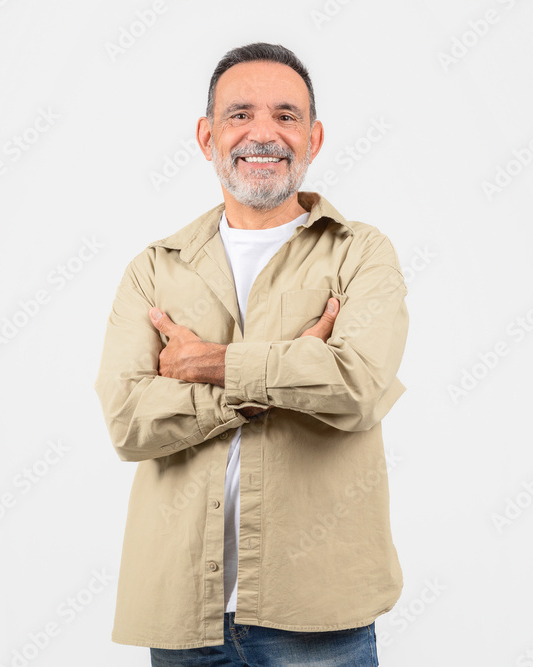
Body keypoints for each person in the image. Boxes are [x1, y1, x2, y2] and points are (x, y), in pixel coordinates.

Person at [94, 42, 409, 666]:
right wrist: (287, 371)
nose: (262, 133)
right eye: (239, 114)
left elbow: (358, 386)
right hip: (185, 614)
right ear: (207, 135)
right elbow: (129, 420)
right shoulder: (153, 270)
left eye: (286, 116)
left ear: (313, 138)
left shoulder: (361, 253)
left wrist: (208, 363)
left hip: (318, 616)